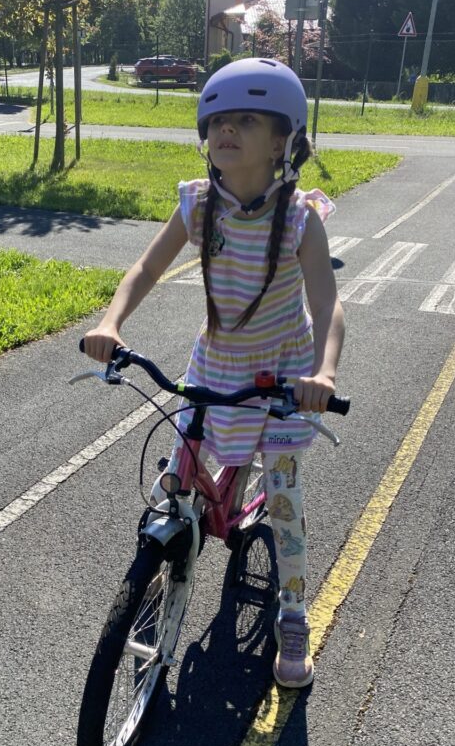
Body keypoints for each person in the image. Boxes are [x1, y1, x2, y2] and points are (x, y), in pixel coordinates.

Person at [82, 58, 345, 689]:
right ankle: (164, 566)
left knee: (282, 502)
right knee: (177, 483)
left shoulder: (300, 218)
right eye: (219, 119)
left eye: (247, 120)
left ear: (281, 142)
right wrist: (112, 322)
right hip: (216, 363)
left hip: (282, 375)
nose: (227, 129)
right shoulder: (199, 205)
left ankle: (293, 614)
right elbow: (146, 269)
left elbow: (327, 302)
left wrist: (324, 372)